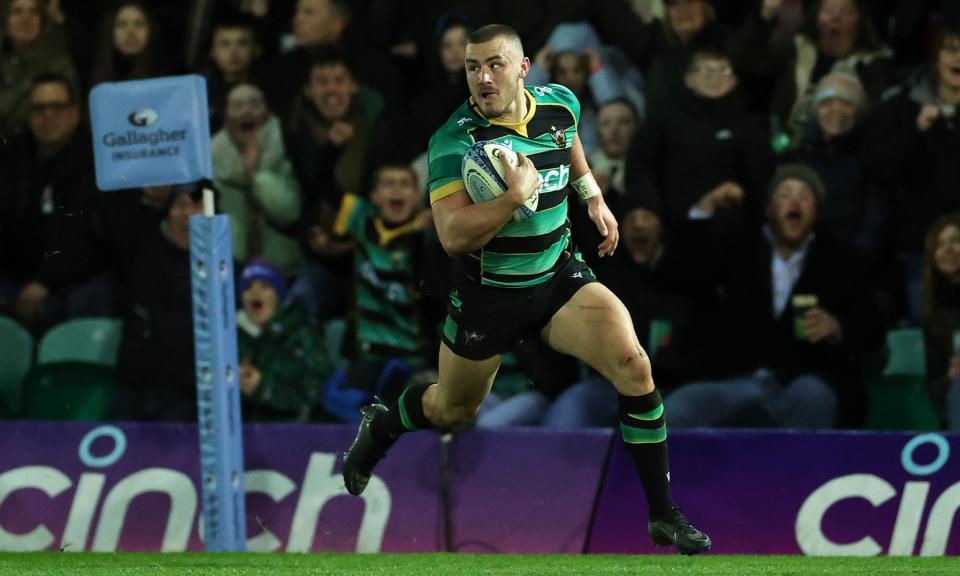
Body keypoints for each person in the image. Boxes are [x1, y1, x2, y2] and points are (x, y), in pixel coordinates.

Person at [340, 24, 711, 555]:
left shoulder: (560, 102)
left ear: (523, 68)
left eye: (494, 64)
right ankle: (382, 428)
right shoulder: (455, 140)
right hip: (489, 296)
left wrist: (592, 197)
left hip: (558, 277)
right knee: (452, 408)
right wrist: (513, 198)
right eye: (472, 66)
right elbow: (450, 236)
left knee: (634, 365)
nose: (482, 77)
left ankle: (664, 515)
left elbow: (570, 141)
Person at [664, 164, 884, 429]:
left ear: (816, 212)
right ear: (769, 209)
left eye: (804, 196)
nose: (794, 201)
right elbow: (681, 273)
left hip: (804, 378)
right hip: (735, 378)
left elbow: (872, 324)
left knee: (812, 396)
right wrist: (704, 210)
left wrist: (837, 327)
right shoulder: (740, 250)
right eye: (785, 194)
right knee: (678, 410)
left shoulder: (841, 261)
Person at [0, 73, 110, 333]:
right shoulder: (15, 158)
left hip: (71, 280)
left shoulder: (94, 163)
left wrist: (44, 282)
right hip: (17, 275)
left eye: (57, 107)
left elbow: (85, 239)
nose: (47, 115)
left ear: (74, 112)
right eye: (39, 108)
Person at [212, 82, 303, 277]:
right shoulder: (214, 155)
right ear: (226, 116)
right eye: (236, 106)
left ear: (267, 111)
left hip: (285, 270)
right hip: (231, 269)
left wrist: (255, 174)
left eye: (254, 104)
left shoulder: (287, 144)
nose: (246, 112)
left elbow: (289, 213)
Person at [237, 258, 333, 422]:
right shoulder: (232, 338)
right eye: (248, 287)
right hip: (243, 436)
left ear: (279, 295)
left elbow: (315, 395)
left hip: (296, 435)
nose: (255, 293)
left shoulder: (302, 333)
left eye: (265, 287)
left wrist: (262, 387)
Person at [0, 0, 77, 138]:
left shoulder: (59, 64)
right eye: (17, 12)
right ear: (5, 21)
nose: (26, 19)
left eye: (34, 12)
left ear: (42, 21)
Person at [921, 214, 960, 431]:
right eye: (939, 245)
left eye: (955, 240)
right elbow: (934, 387)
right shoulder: (934, 316)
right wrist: (950, 376)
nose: (948, 249)